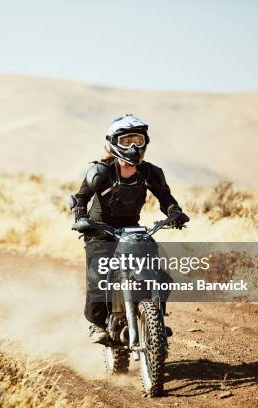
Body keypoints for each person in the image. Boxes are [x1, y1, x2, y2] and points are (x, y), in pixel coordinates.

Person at [70, 114, 189, 344]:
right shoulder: (101, 172)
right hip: (99, 229)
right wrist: (81, 219)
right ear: (114, 142)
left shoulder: (150, 172)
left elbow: (166, 197)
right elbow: (79, 199)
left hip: (131, 228)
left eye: (138, 139)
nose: (133, 146)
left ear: (146, 141)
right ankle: (97, 324)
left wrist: (175, 212)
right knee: (99, 276)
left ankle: (154, 321)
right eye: (126, 141)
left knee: (159, 273)